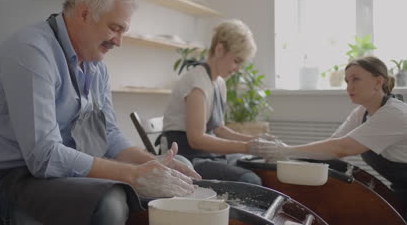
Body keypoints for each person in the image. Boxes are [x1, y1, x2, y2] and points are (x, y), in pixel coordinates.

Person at [0, 0, 200, 225]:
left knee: (179, 166)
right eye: (115, 28)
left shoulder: (95, 66)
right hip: (17, 181)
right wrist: (133, 175)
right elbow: (44, 157)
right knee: (109, 201)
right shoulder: (31, 53)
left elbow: (110, 135)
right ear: (84, 14)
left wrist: (155, 163)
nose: (119, 42)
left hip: (65, 176)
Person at [250, 56, 407, 216]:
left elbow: (341, 149)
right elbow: (331, 146)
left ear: (378, 82)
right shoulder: (362, 112)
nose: (349, 87)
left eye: (356, 79)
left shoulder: (393, 113)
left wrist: (284, 150)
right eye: (347, 81)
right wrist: (285, 157)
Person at [161, 19, 274, 185]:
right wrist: (247, 147)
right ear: (220, 49)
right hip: (187, 158)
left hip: (204, 155)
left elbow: (219, 129)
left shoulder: (219, 82)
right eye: (236, 61)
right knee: (250, 179)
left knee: (255, 165)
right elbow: (196, 139)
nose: (238, 69)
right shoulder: (197, 83)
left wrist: (254, 140)